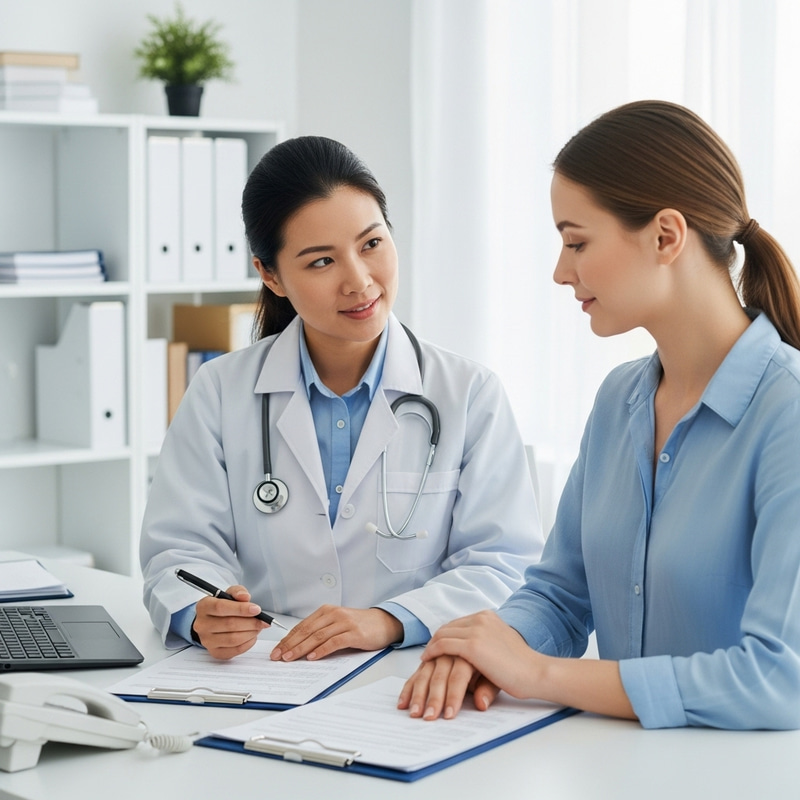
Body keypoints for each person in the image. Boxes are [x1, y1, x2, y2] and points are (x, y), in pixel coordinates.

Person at [398, 100, 800, 730]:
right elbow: (561, 595)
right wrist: (483, 648)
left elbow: (779, 679)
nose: (562, 272)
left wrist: (538, 674)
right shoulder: (620, 399)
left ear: (666, 235)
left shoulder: (788, 412)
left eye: (576, 242)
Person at [140, 135, 542, 662]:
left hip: (410, 674)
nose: (359, 281)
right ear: (270, 275)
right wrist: (202, 614)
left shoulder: (467, 393)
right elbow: (179, 551)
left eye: (371, 244)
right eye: (321, 262)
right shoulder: (220, 391)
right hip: (270, 669)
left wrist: (389, 621)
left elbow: (503, 563)